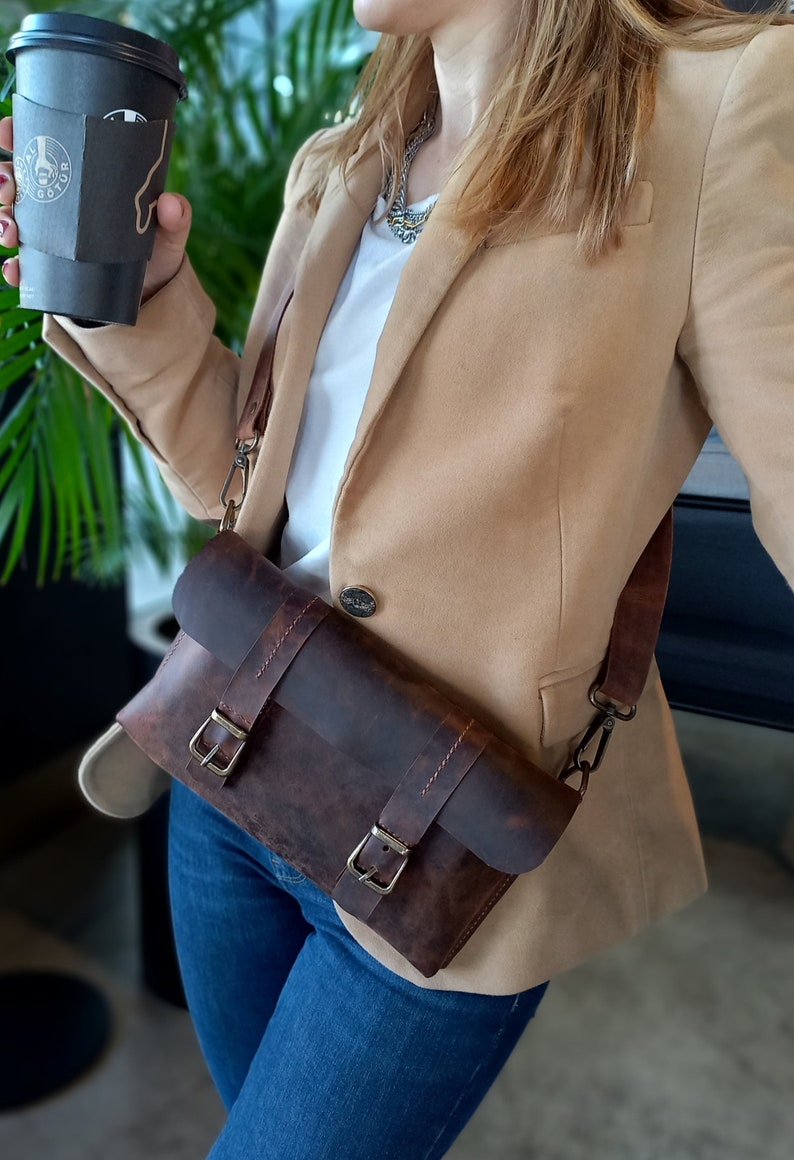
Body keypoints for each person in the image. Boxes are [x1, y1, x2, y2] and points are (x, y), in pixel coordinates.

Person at [2, 1, 793, 1156]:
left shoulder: (704, 109)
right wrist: (144, 296)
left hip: (441, 837)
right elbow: (241, 480)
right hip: (231, 771)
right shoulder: (341, 161)